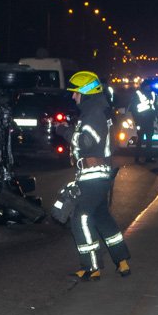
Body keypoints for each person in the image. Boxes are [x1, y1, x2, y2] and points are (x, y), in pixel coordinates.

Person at [65, 70, 131, 281]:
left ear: (85, 92)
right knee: (102, 217)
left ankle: (91, 266)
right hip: (99, 175)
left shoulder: (92, 114)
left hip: (93, 175)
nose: (73, 97)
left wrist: (65, 133)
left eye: (76, 92)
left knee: (80, 218)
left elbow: (87, 143)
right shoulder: (96, 111)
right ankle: (122, 261)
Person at [128, 81, 157, 164]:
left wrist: (156, 117)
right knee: (140, 140)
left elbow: (154, 106)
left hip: (149, 120)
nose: (149, 87)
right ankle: (137, 158)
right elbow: (134, 108)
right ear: (144, 86)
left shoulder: (152, 94)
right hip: (141, 121)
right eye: (147, 86)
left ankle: (148, 158)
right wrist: (137, 121)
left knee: (149, 141)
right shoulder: (138, 94)